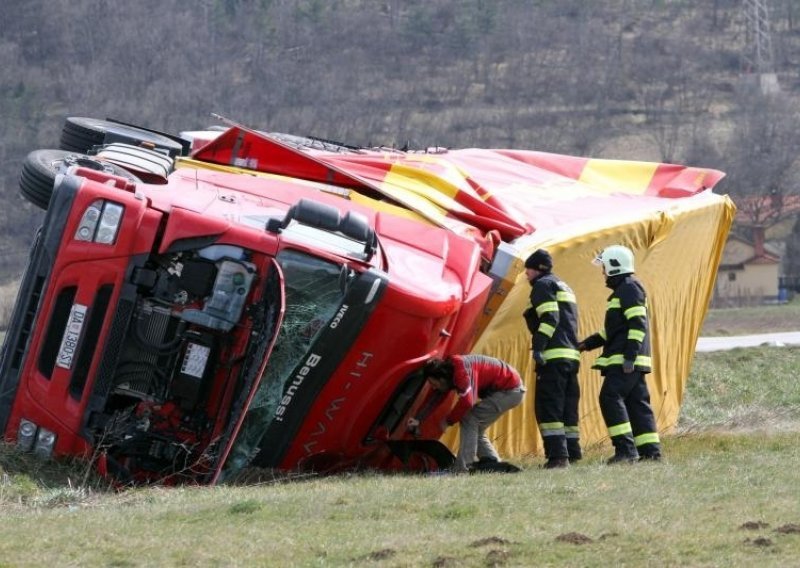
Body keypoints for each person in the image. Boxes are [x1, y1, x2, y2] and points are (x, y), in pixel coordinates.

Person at [578, 245, 662, 463]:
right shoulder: (625, 289)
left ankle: (626, 451)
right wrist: (586, 344)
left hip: (625, 360)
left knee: (610, 397)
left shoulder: (629, 288)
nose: (603, 272)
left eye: (604, 267)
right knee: (637, 403)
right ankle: (650, 453)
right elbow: (613, 331)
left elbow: (637, 324)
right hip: (629, 359)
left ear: (615, 266)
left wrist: (629, 357)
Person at [407, 354, 525, 473]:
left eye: (433, 384)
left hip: (510, 391)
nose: (433, 388)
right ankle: (491, 461)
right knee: (474, 427)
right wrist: (419, 419)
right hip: (510, 390)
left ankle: (462, 468)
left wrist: (449, 421)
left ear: (442, 379)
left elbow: (467, 402)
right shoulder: (450, 372)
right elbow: (436, 398)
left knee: (469, 418)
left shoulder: (461, 372)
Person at [522, 248, 581, 469]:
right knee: (567, 407)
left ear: (537, 269)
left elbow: (550, 318)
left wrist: (539, 347)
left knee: (549, 407)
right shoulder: (564, 286)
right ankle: (572, 453)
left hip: (553, 356)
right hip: (570, 356)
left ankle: (558, 458)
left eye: (527, 269)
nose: (525, 273)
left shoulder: (542, 285)